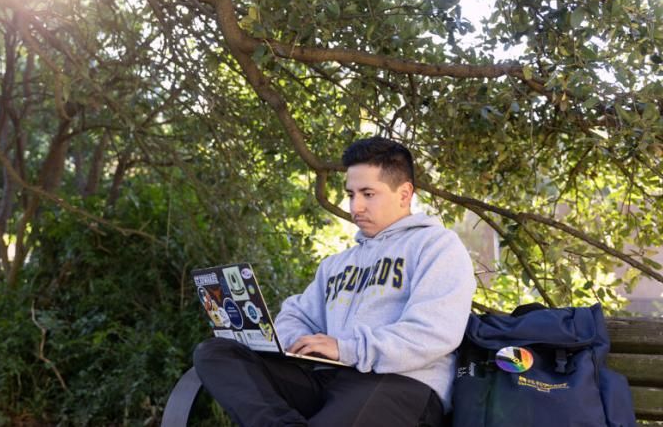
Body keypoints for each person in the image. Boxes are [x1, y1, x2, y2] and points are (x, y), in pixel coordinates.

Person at [193, 136, 476, 427]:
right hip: (328, 380)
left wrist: (346, 348)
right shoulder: (337, 264)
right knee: (215, 353)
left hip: (401, 383)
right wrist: (293, 342)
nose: (356, 207)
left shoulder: (436, 246)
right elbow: (296, 315)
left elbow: (433, 332)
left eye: (368, 194)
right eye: (351, 194)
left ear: (404, 194)